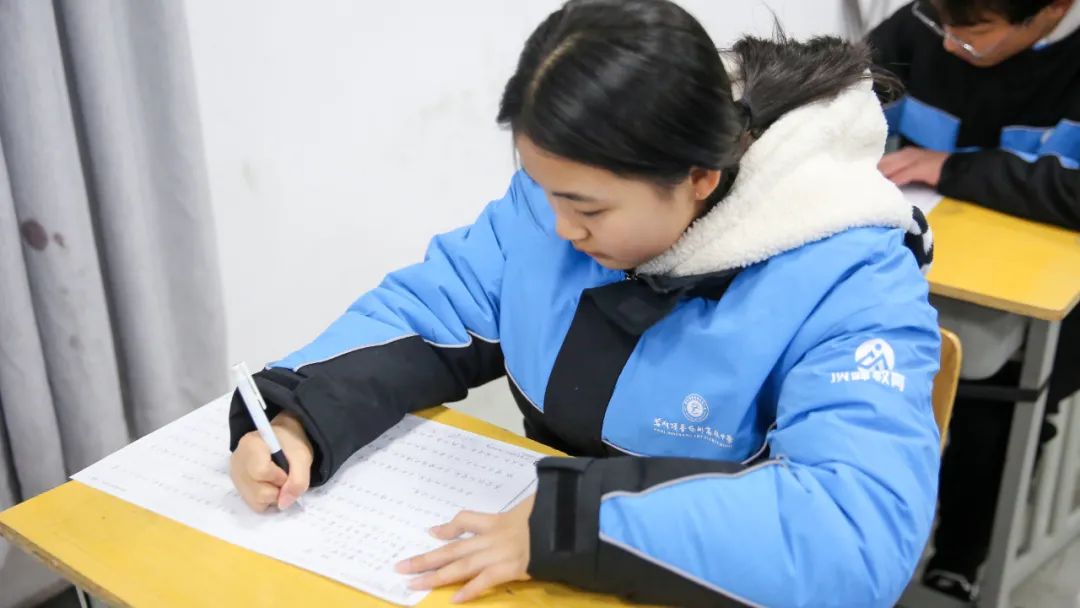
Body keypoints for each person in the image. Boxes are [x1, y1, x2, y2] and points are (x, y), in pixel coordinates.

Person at [229, 1, 941, 605]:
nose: (562, 230)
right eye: (545, 192)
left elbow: (854, 529)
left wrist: (569, 524)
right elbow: (433, 310)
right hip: (551, 566)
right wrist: (301, 419)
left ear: (698, 177)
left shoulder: (851, 276)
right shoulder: (555, 213)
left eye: (589, 210)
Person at [869, 0, 1080, 600]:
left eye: (974, 33)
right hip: (928, 261)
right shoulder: (928, 21)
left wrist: (953, 169)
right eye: (944, 24)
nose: (950, 42)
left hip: (1046, 290)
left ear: (1055, 9)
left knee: (993, 411)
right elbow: (842, 96)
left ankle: (960, 560)